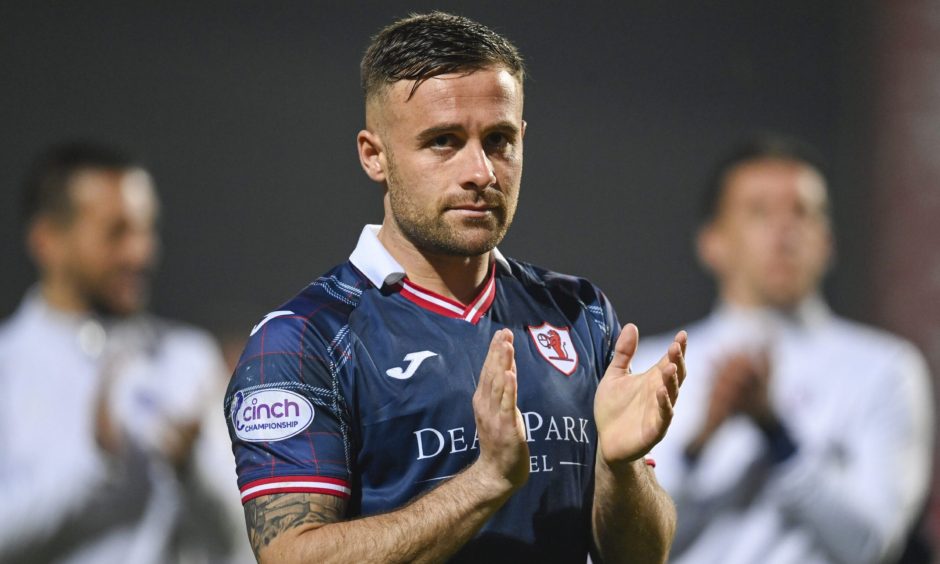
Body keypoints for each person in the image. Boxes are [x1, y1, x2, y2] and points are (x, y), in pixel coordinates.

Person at [225, 11, 687, 564]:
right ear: (375, 156)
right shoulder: (304, 341)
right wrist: (486, 481)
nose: (482, 172)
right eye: (443, 142)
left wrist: (620, 467)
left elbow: (643, 556)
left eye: (499, 140)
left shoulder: (577, 313)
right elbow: (293, 558)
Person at [633, 135, 934, 564]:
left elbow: (872, 546)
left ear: (828, 241)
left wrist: (776, 433)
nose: (785, 230)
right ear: (712, 242)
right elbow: (625, 548)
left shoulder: (886, 368)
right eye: (759, 212)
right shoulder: (649, 365)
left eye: (803, 211)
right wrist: (700, 443)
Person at [0, 141, 252, 563]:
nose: (141, 252)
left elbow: (244, 544)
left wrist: (191, 470)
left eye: (146, 228)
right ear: (47, 241)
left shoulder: (188, 358)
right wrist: (98, 465)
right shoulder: (8, 366)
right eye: (116, 232)